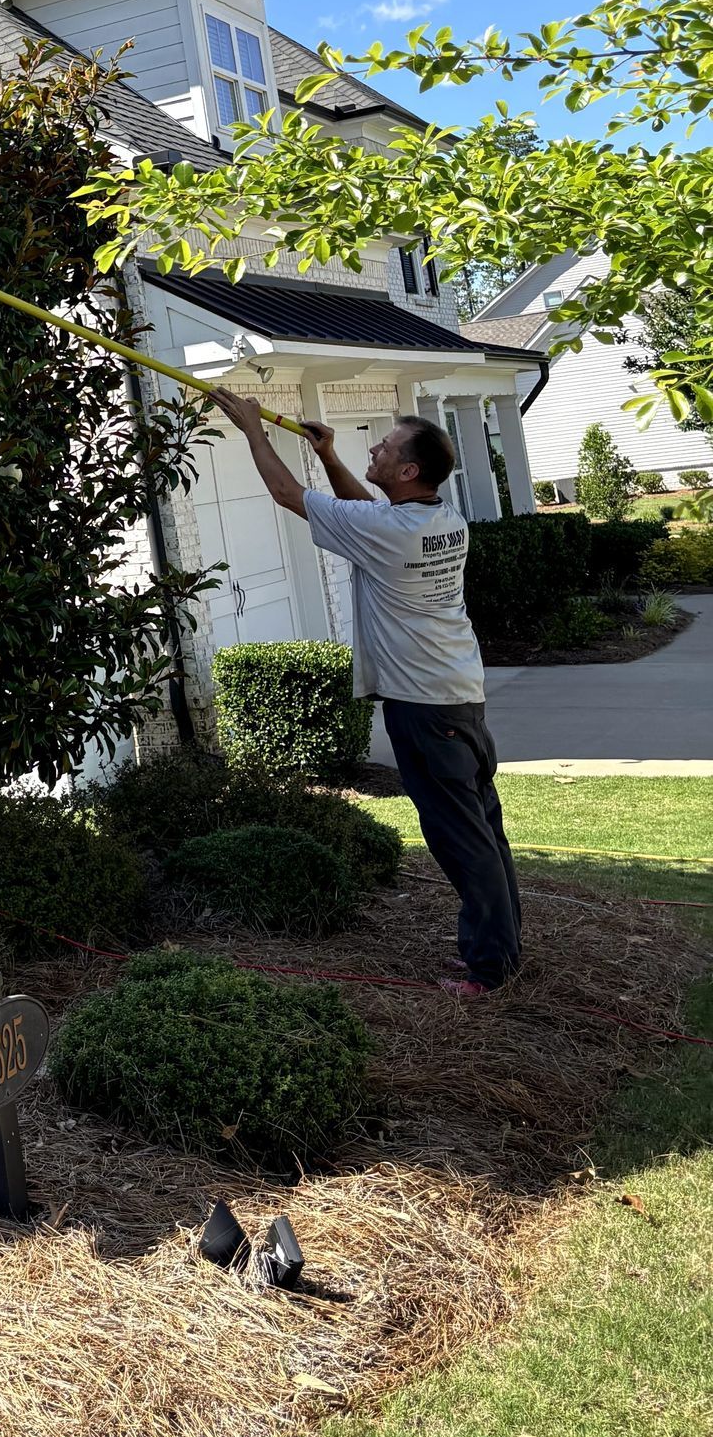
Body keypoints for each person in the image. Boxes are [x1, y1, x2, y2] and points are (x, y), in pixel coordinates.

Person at [206, 393, 521, 1000]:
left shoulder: (390, 530)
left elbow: (286, 497)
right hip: (459, 700)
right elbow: (365, 513)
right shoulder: (440, 519)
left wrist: (251, 429)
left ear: (407, 472)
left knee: (462, 843)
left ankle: (488, 971)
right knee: (485, 833)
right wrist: (328, 455)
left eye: (386, 445)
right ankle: (501, 952)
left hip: (425, 710)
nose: (374, 447)